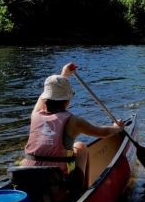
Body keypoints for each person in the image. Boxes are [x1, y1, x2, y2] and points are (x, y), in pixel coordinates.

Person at [21, 62, 124, 193]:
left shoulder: (35, 114)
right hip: (58, 187)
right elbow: (103, 132)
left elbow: (43, 98)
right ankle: (84, 193)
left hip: (29, 182)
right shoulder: (73, 121)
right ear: (67, 100)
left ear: (46, 99)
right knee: (80, 146)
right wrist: (117, 128)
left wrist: (63, 76)